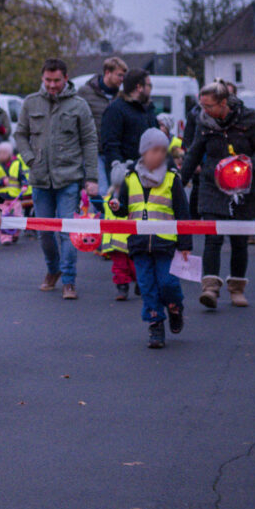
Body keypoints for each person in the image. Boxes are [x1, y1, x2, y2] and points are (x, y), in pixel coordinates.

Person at [14, 58, 101, 299]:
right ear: (42, 78)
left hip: (69, 179)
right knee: (44, 232)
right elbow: (20, 134)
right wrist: (30, 158)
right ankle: (53, 270)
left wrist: (92, 177)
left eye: (57, 80)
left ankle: (69, 280)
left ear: (65, 79)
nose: (52, 85)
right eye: (48, 80)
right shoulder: (31, 103)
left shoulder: (79, 105)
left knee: (67, 231)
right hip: (40, 179)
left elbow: (89, 141)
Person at [182, 81, 255, 308]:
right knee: (213, 237)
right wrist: (178, 183)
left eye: (208, 106)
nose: (204, 110)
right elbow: (193, 154)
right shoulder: (204, 122)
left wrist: (249, 165)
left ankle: (237, 289)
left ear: (223, 103)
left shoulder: (249, 120)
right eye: (202, 105)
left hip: (242, 188)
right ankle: (210, 288)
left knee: (239, 240)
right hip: (212, 186)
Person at [105, 129, 193, 349]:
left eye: (163, 151)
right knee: (147, 286)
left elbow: (183, 213)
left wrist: (185, 244)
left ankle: (175, 307)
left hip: (166, 243)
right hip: (139, 243)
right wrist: (116, 206)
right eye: (155, 150)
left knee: (168, 283)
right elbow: (124, 209)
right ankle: (155, 324)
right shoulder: (130, 178)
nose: (159, 155)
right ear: (144, 152)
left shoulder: (172, 178)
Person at [99, 69, 159, 299]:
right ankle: (123, 280)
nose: (151, 89)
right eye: (149, 85)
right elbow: (110, 143)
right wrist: (118, 170)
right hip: (125, 177)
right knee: (122, 232)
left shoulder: (147, 110)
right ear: (139, 87)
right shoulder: (116, 109)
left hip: (150, 176)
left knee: (147, 228)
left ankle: (142, 277)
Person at [77, 56, 128, 193]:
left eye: (123, 76)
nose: (122, 79)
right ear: (107, 73)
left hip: (115, 152)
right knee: (102, 190)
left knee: (117, 191)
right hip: (94, 151)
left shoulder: (122, 96)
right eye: (119, 75)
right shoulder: (86, 92)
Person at [0, 141, 30, 245]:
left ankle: (15, 234)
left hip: (15, 197)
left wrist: (24, 185)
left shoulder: (17, 164)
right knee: (2, 218)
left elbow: (22, 177)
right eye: (0, 152)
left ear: (10, 153)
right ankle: (5, 238)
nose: (2, 155)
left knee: (18, 216)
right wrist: (1, 182)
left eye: (5, 152)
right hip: (0, 198)